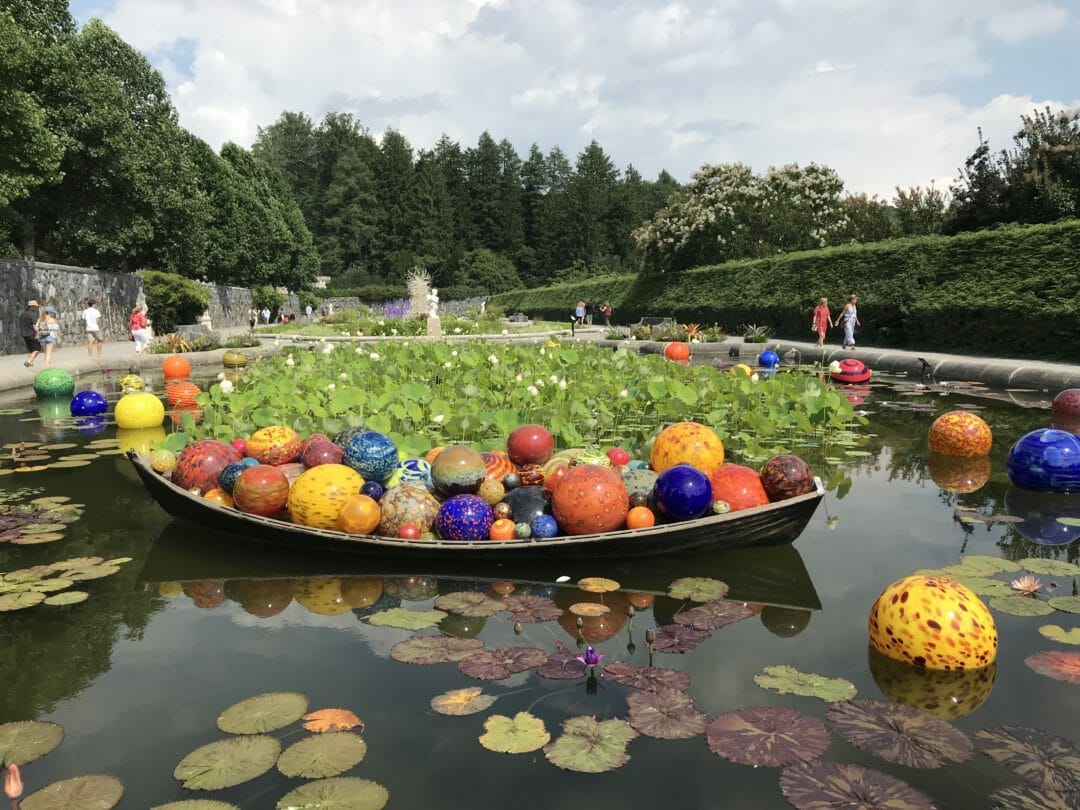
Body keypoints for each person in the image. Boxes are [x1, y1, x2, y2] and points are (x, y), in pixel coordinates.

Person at [20, 300, 42, 367]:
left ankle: (31, 363)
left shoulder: (22, 314)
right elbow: (34, 326)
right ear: (32, 307)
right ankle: (29, 361)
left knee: (31, 350)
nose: (36, 308)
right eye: (36, 307)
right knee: (37, 349)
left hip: (24, 334)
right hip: (32, 334)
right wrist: (38, 333)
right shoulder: (32, 314)